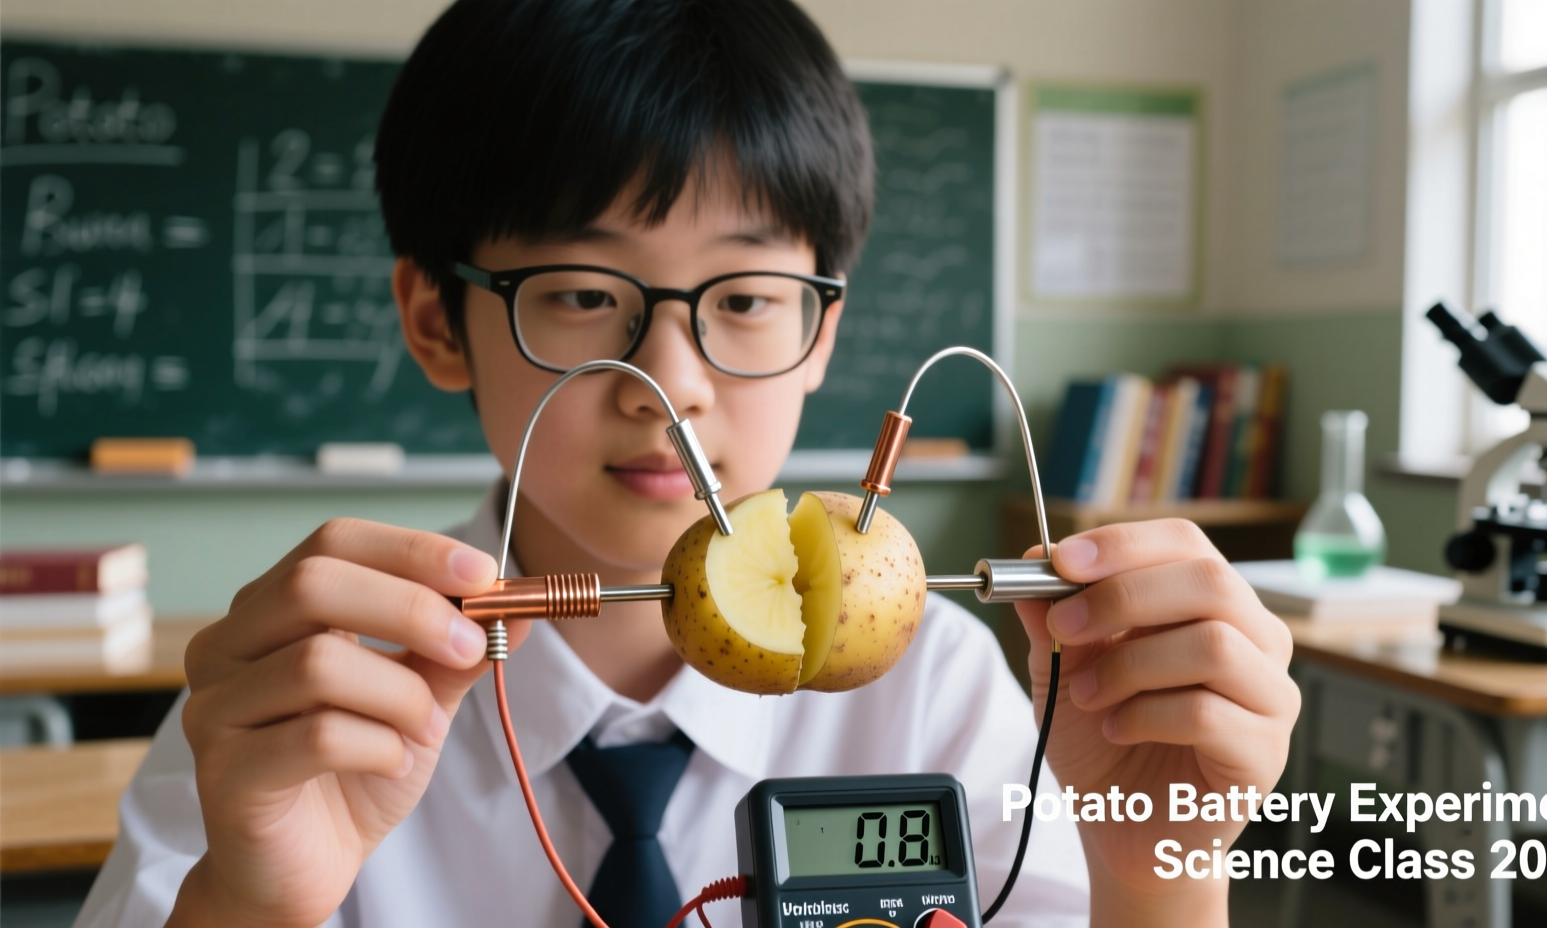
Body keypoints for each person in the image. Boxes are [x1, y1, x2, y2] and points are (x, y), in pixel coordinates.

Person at [75, 1, 1299, 926]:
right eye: (578, 291)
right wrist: (250, 900)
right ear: (437, 320)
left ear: (822, 329)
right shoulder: (297, 707)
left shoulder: (946, 693)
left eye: (748, 298)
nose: (672, 382)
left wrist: (1162, 867)